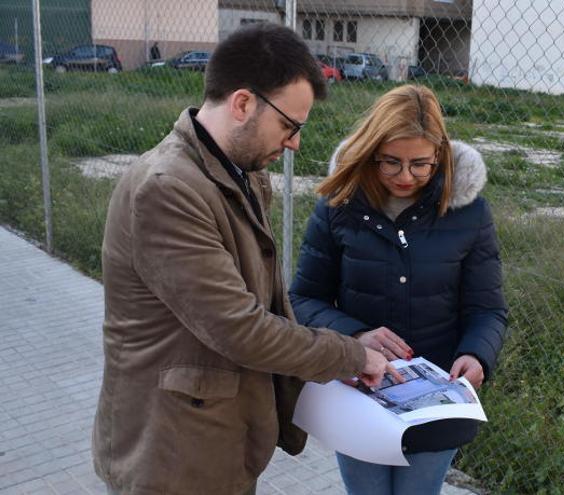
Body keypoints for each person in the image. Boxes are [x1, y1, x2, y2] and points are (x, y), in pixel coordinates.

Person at [93, 24, 399, 495]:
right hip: (173, 453)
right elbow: (239, 328)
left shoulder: (240, 173)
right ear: (242, 103)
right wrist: (348, 355)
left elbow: (269, 300)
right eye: (289, 126)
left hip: (218, 436)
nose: (295, 142)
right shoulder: (167, 189)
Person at [288, 85, 508, 495]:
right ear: (371, 152)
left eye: (420, 164)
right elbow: (302, 299)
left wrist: (477, 355)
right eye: (391, 162)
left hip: (437, 403)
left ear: (439, 156)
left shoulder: (470, 213)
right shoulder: (339, 205)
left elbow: (488, 310)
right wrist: (355, 335)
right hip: (360, 392)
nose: (406, 177)